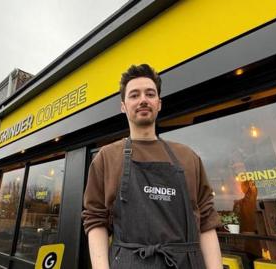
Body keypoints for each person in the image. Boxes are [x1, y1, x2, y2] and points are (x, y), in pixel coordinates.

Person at [82, 64, 222, 268]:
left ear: (159, 103)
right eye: (134, 95)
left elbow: (207, 221)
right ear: (123, 106)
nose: (143, 100)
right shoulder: (106, 158)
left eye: (150, 93)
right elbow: (95, 219)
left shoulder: (188, 157)